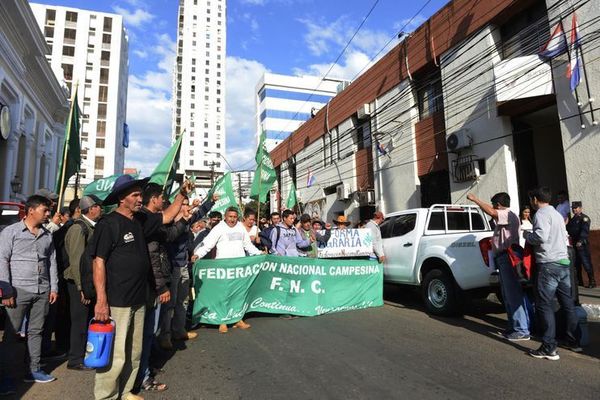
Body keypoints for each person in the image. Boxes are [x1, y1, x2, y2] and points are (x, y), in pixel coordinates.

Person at [90, 175, 192, 400]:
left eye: (140, 194)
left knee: (134, 351)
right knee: (116, 353)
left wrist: (182, 193)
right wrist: (101, 299)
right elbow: (98, 262)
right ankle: (106, 396)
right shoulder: (109, 224)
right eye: (135, 195)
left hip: (140, 297)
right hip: (117, 300)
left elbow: (166, 216)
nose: (140, 199)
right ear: (121, 199)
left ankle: (127, 391)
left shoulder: (141, 220)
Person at [0, 195, 59, 388]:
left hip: (42, 291)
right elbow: (2, 259)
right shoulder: (12, 232)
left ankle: (33, 369)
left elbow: (51, 262)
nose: (48, 214)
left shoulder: (47, 235)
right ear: (31, 210)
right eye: (45, 210)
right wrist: (6, 289)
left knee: (36, 332)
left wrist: (53, 287)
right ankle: (4, 377)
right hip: (18, 291)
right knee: (11, 334)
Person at [524, 187, 579, 360]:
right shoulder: (556, 213)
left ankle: (549, 347)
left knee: (544, 305)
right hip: (563, 263)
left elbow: (540, 237)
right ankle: (573, 341)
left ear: (534, 199)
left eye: (531, 200)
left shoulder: (540, 214)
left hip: (549, 264)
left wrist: (526, 235)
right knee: (567, 304)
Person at [467, 192, 531, 341]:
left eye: (494, 204)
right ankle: (513, 327)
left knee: (513, 294)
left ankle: (521, 329)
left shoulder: (507, 214)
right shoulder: (508, 216)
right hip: (503, 257)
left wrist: (476, 199)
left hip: (508, 257)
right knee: (507, 295)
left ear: (498, 205)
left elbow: (491, 212)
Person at [193, 207, 262, 333]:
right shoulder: (219, 228)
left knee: (239, 294)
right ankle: (222, 320)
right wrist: (198, 254)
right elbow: (208, 244)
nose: (232, 219)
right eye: (230, 217)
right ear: (225, 217)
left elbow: (247, 245)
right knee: (224, 295)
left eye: (235, 217)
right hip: (223, 268)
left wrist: (259, 253)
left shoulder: (241, 228)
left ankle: (237, 319)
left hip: (240, 268)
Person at [63, 195, 103, 371]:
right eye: (98, 206)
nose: (100, 209)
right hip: (77, 282)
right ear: (92, 208)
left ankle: (83, 354)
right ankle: (75, 359)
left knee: (86, 319)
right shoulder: (79, 228)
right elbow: (76, 260)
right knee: (79, 320)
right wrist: (81, 288)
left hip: (87, 281)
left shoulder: (90, 227)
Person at [567, 201, 596, 288]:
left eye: (576, 208)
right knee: (576, 264)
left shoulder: (584, 218)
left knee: (586, 263)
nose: (574, 210)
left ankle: (592, 281)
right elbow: (569, 230)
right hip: (574, 244)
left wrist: (580, 241)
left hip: (582, 244)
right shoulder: (572, 220)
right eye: (573, 208)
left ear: (580, 208)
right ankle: (579, 282)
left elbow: (585, 231)